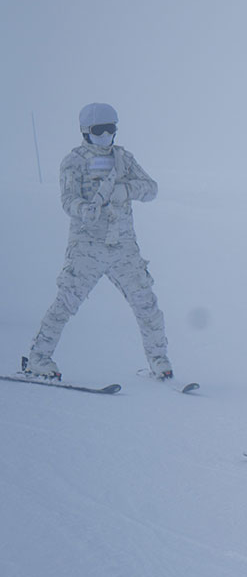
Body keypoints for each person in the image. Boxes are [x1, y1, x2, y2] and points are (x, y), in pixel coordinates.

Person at [22, 103, 173, 381]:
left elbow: (151, 188)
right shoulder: (74, 161)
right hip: (87, 248)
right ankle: (38, 358)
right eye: (98, 130)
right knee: (65, 303)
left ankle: (158, 360)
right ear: (85, 132)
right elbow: (67, 199)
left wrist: (124, 189)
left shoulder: (123, 159)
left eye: (110, 129)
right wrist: (83, 209)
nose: (105, 136)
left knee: (146, 303)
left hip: (124, 248)